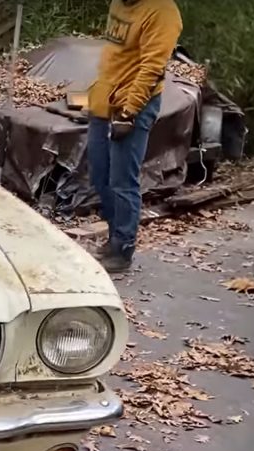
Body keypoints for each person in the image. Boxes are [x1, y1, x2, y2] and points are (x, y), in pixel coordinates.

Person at [87, 0, 182, 273]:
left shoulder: (163, 11)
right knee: (100, 174)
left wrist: (129, 113)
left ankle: (123, 248)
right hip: (104, 99)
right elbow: (115, 55)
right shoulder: (119, 3)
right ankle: (113, 234)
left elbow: (152, 68)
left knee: (122, 181)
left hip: (134, 105)